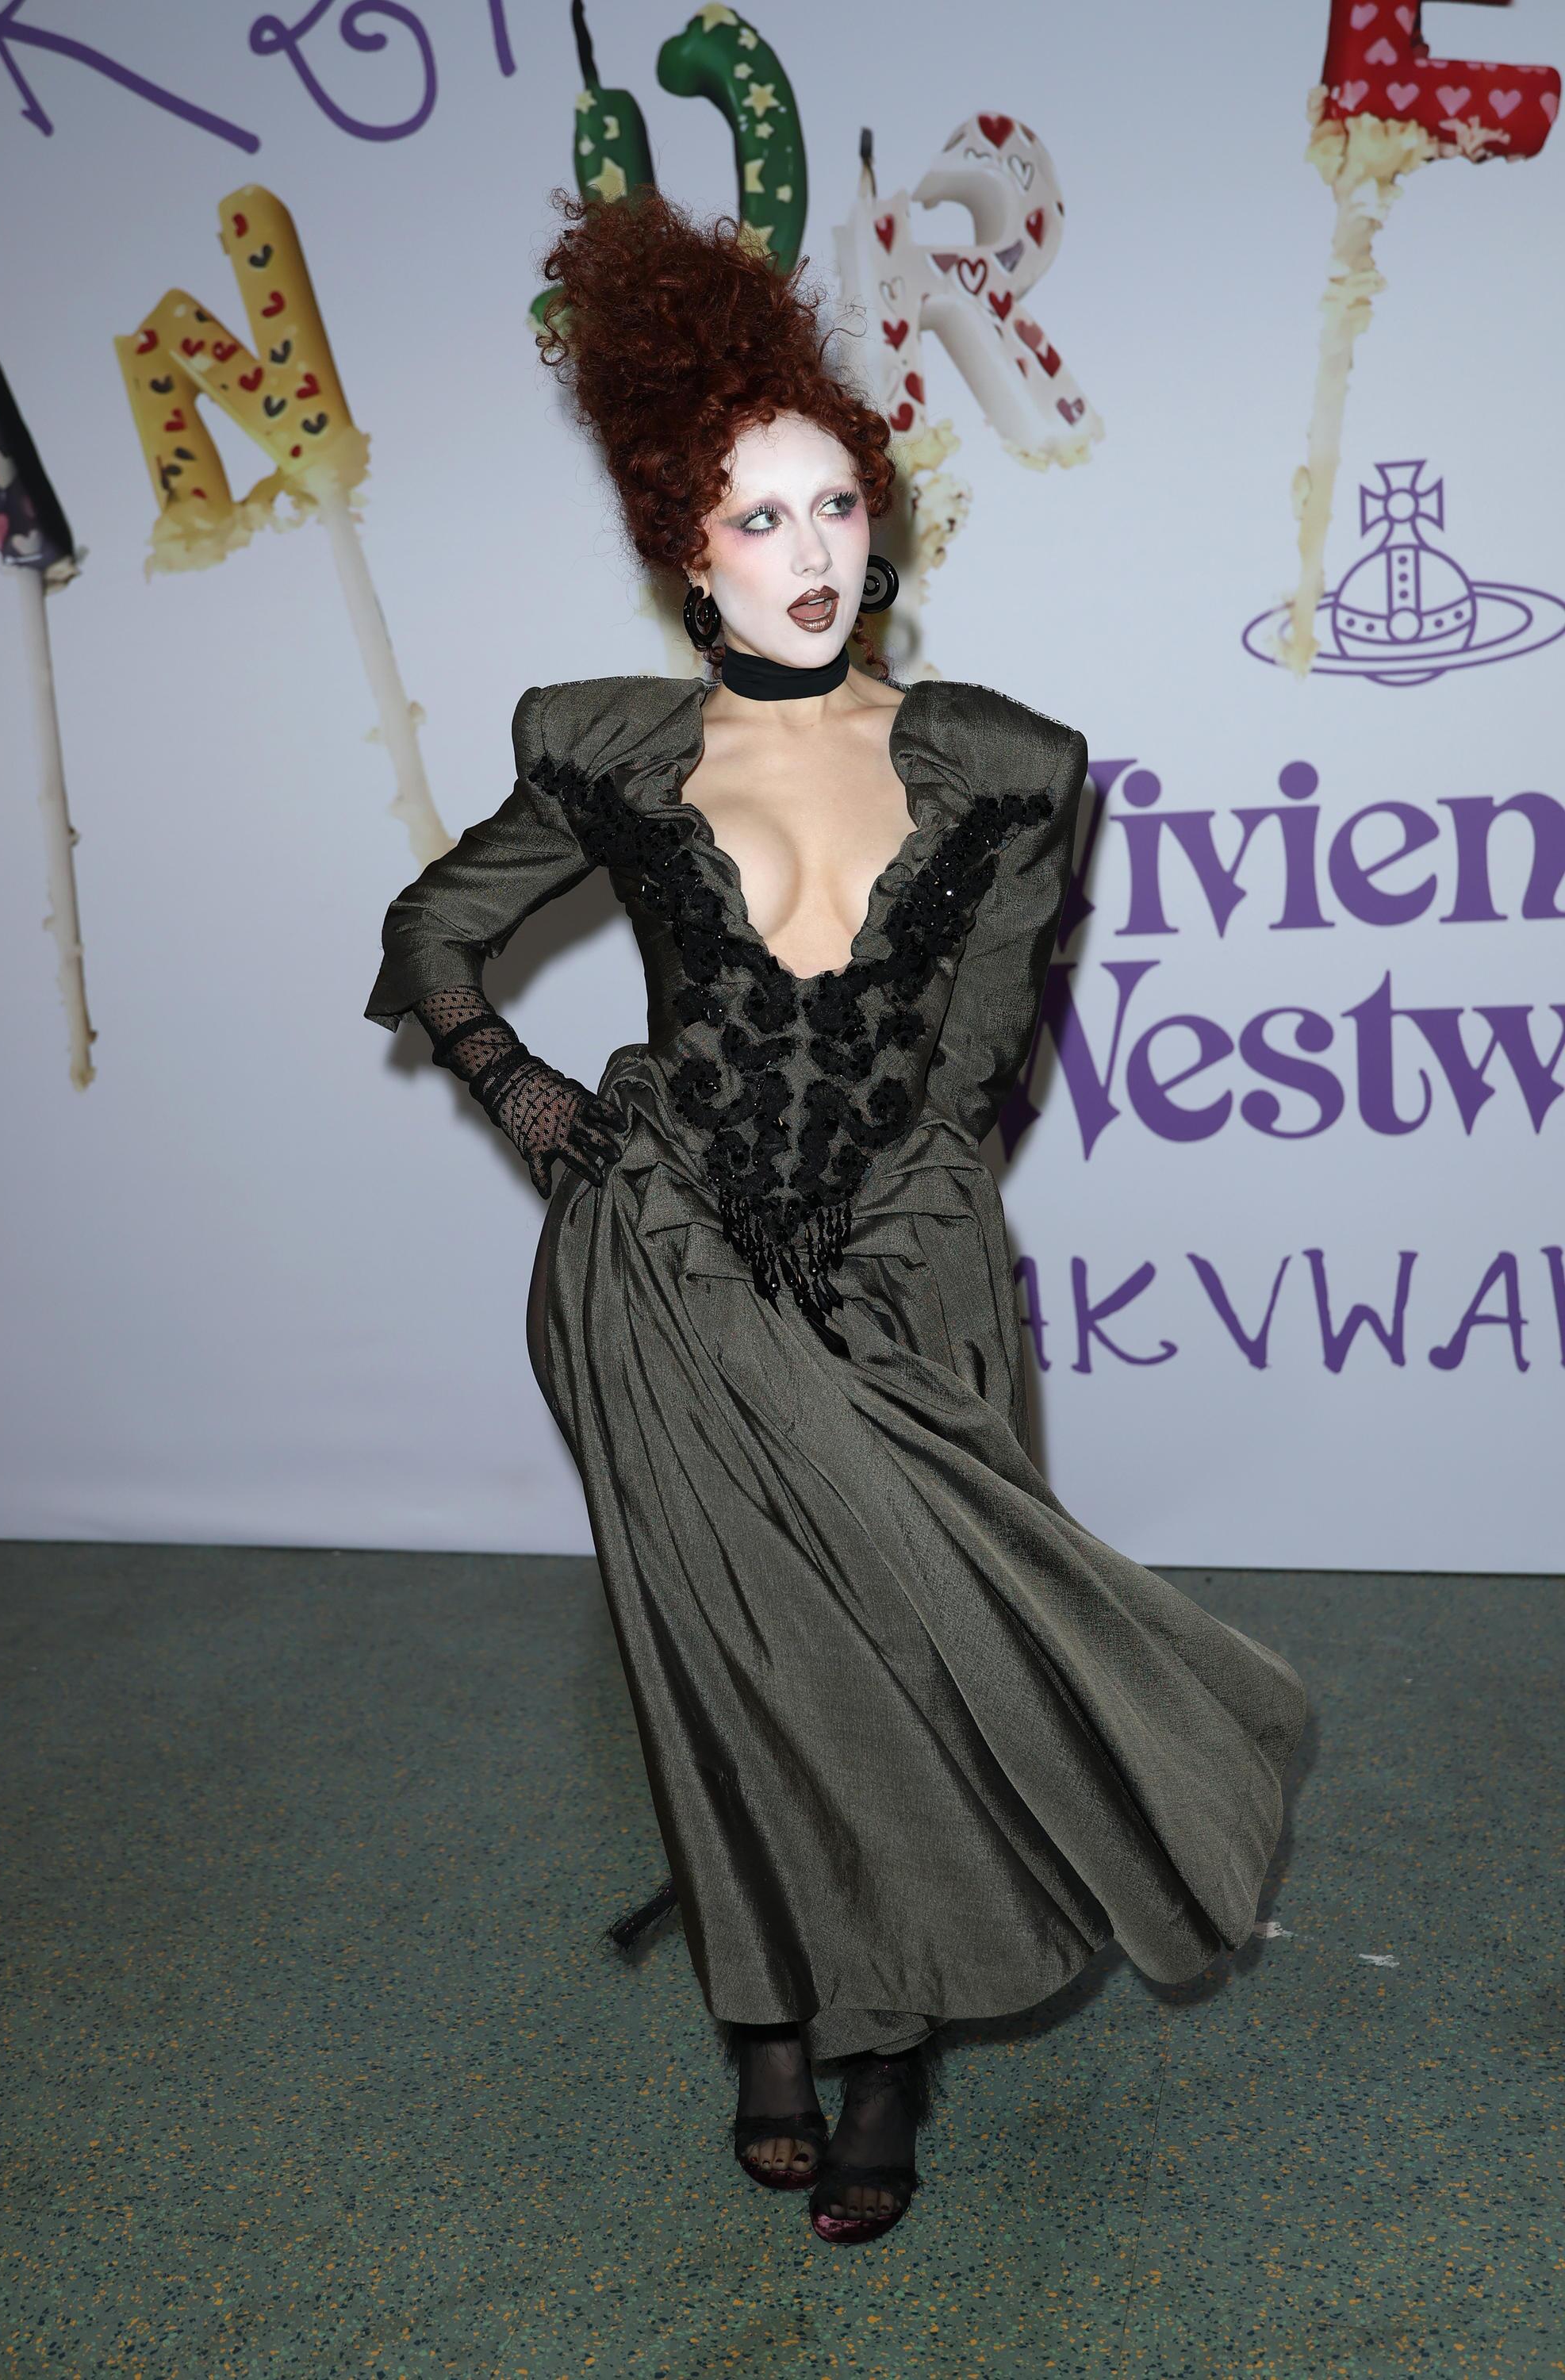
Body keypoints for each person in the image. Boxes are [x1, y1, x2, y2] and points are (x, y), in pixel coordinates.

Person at [364, 186, 1306, 2247]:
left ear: (880, 522)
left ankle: (891, 2049)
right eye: (756, 516)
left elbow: (978, 1061)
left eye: (835, 507)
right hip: (664, 1270)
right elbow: (433, 933)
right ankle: (769, 2019)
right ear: (684, 551)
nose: (808, 554)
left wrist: (886, 1257)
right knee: (723, 1667)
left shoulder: (1003, 770)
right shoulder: (617, 756)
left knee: (916, 1665)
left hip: (900, 1262)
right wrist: (530, 1100)